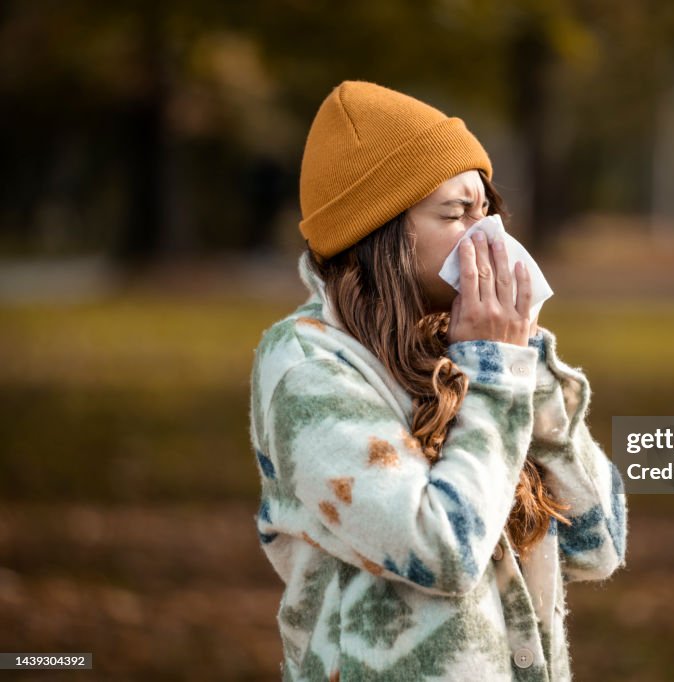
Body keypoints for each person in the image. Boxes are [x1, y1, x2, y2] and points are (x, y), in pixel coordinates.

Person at [249, 80, 627, 682]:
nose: (489, 239)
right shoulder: (307, 368)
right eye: (455, 214)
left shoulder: (465, 350)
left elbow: (596, 543)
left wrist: (524, 362)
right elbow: (441, 549)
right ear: (379, 236)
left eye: (487, 211)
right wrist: (497, 374)